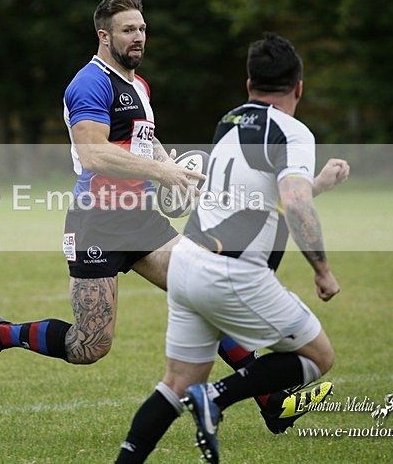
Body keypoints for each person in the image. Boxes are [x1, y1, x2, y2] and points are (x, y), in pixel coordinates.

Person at [115, 33, 346, 463]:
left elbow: (265, 201)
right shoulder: (293, 133)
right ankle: (215, 398)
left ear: (248, 86)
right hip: (233, 273)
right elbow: (293, 205)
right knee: (318, 356)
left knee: (175, 383)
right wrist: (322, 270)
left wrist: (319, 186)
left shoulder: (230, 121)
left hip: (187, 264)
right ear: (299, 87)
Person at [0, 0, 203, 378]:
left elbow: (142, 140)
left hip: (142, 220)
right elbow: (94, 155)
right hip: (97, 224)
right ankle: (0, 333)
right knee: (88, 346)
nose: (138, 37)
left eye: (141, 28)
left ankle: (271, 397)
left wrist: (168, 165)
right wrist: (162, 174)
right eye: (127, 30)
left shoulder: (139, 86)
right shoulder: (90, 84)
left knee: (208, 292)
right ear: (104, 36)